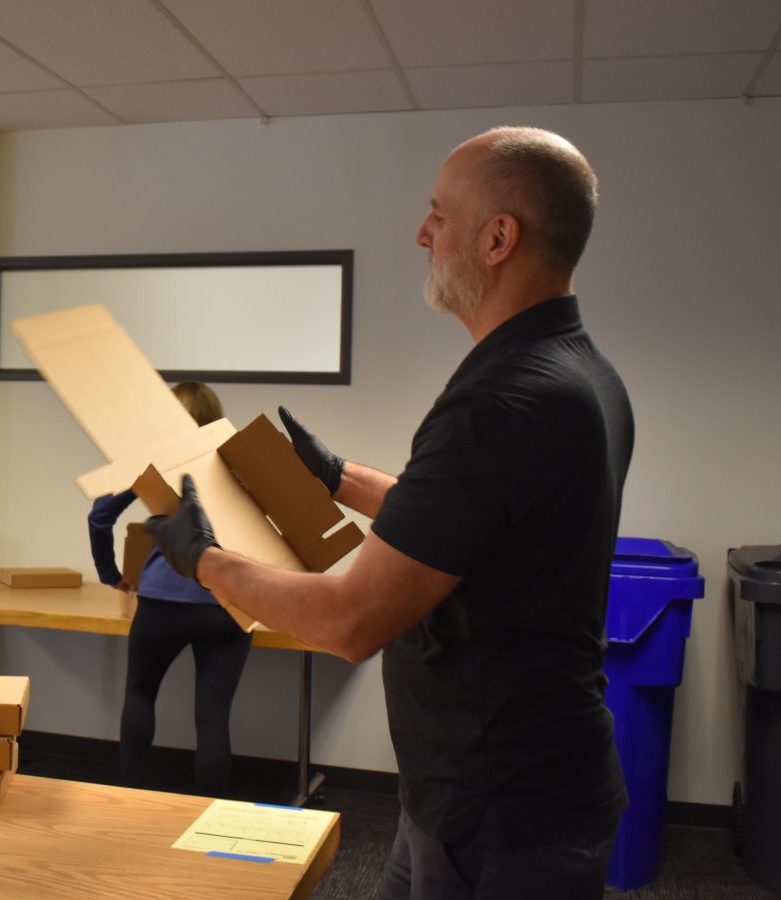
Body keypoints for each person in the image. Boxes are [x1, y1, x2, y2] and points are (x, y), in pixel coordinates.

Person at [145, 127, 633, 898]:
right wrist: (338, 478)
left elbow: (350, 622)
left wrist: (204, 558)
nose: (421, 234)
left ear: (499, 238)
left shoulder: (504, 401)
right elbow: (464, 524)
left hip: (496, 808)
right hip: (469, 789)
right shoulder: (577, 370)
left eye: (439, 215)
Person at [88, 382, 251, 796]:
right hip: (225, 600)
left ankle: (131, 797)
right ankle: (208, 815)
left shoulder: (154, 463)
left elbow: (99, 516)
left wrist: (110, 575)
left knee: (140, 693)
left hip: (162, 600)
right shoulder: (236, 458)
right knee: (214, 716)